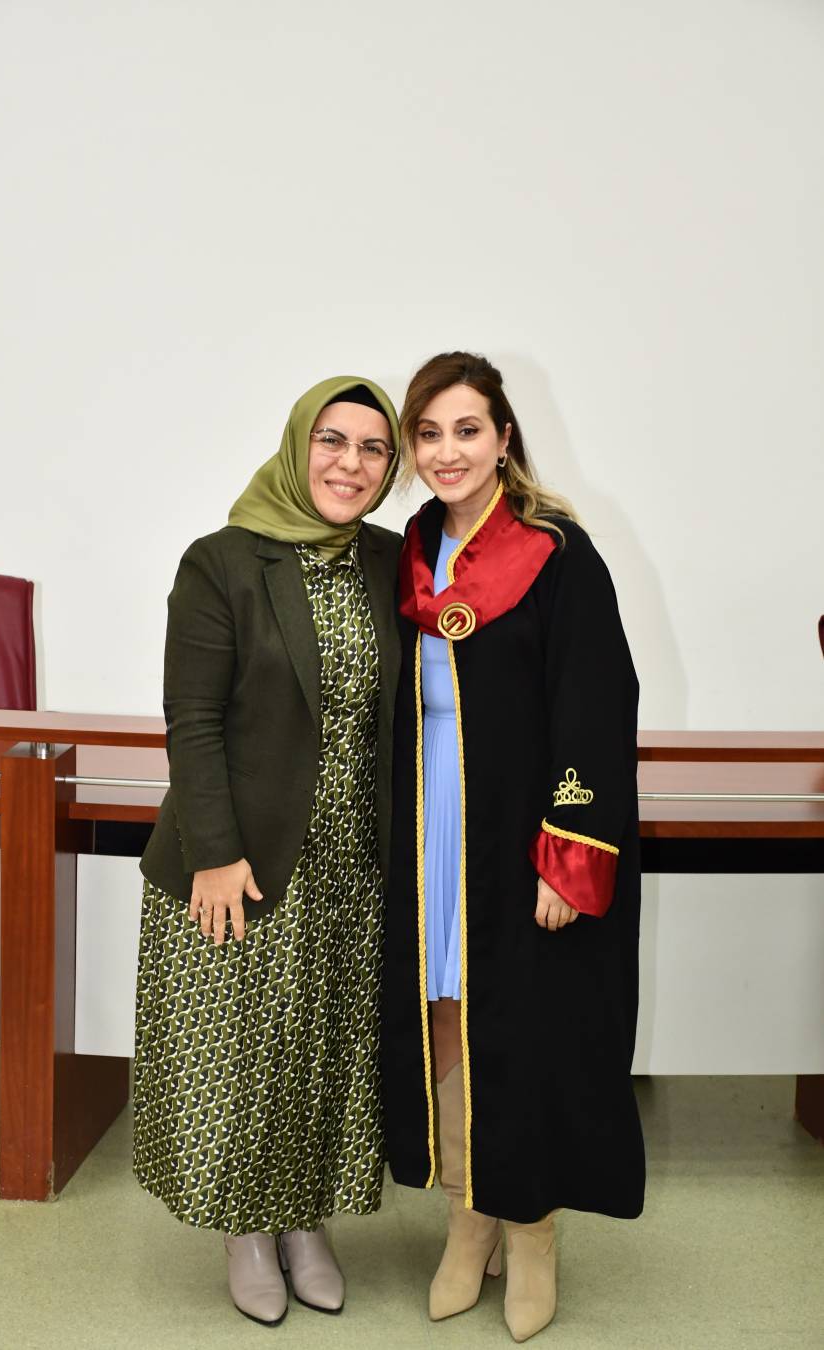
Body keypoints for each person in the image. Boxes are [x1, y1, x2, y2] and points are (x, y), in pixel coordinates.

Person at [381, 352, 645, 1343]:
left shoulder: (556, 552)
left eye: (467, 430)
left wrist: (568, 853)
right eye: (429, 433)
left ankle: (531, 1230)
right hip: (432, 830)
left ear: (502, 439)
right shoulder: (410, 552)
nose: (447, 451)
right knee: (446, 1021)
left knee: (525, 1030)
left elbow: (596, 705)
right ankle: (469, 1217)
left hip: (520, 829)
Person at [135, 376, 402, 1327]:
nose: (350, 463)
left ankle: (304, 1221)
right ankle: (246, 1230)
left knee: (324, 1053)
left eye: (373, 448)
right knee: (245, 1058)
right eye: (332, 440)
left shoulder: (390, 560)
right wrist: (214, 851)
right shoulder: (223, 561)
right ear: (298, 445)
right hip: (241, 861)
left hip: (351, 864)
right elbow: (191, 717)